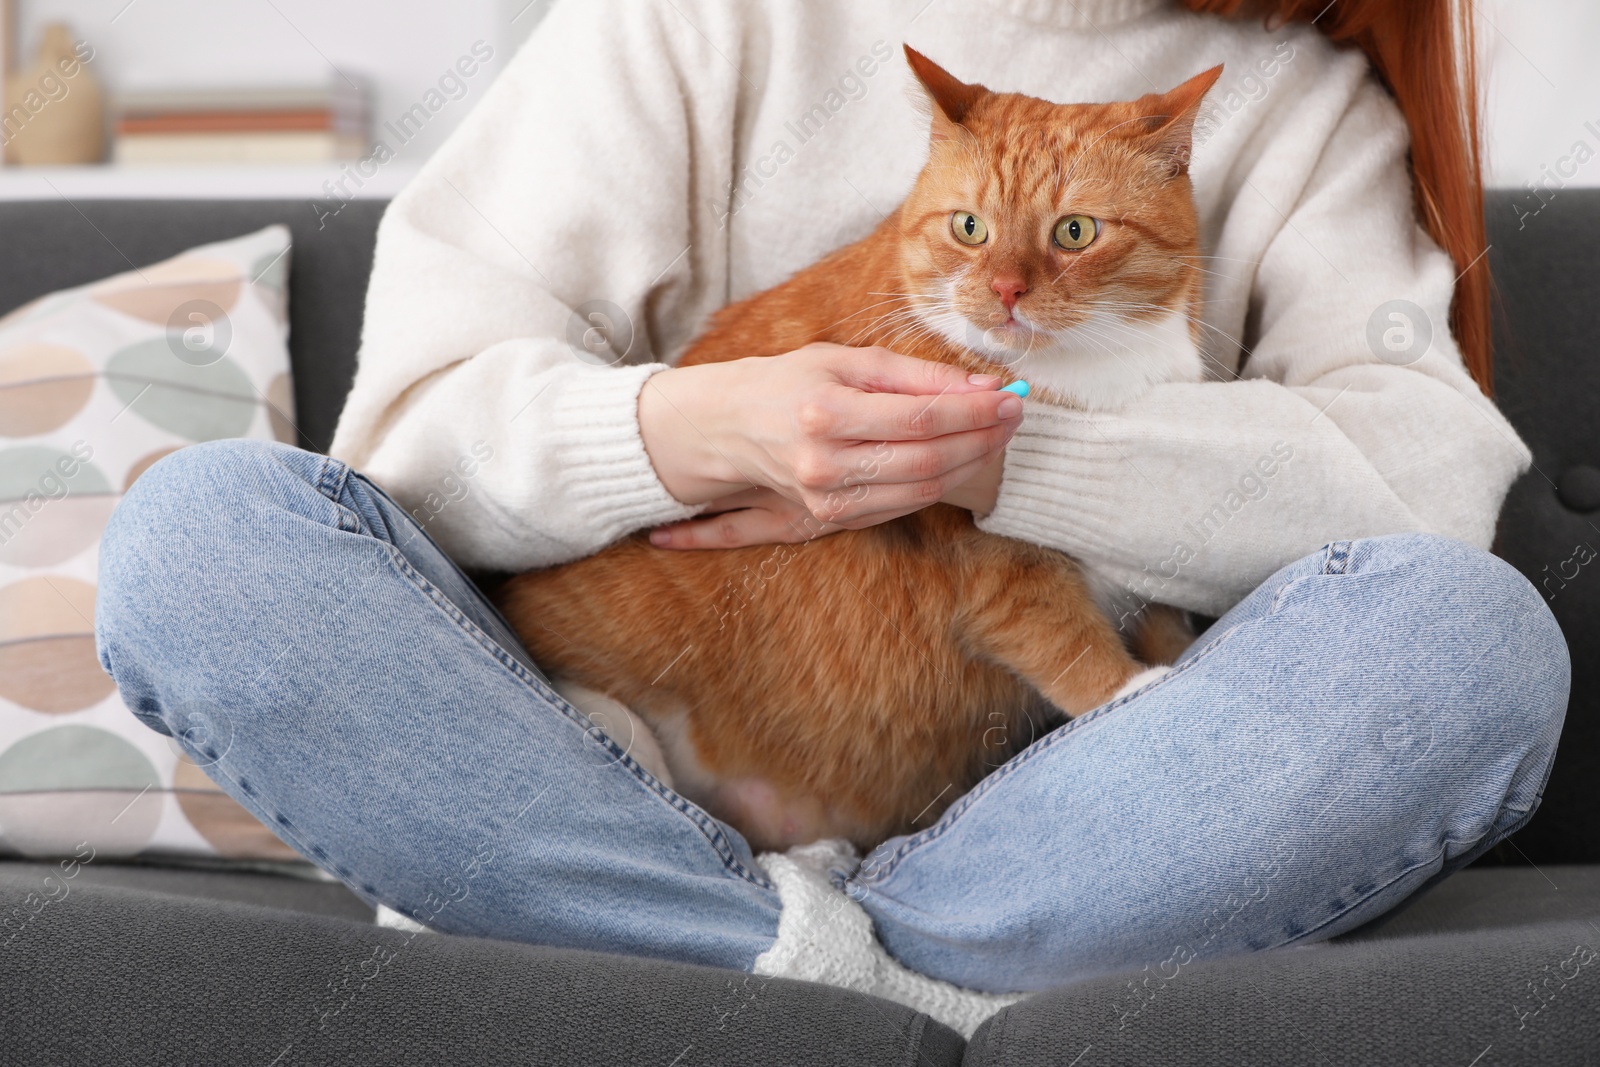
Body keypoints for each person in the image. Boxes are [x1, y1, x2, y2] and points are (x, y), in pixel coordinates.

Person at [96, 0, 1569, 1034]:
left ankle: (719, 967)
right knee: (202, 536)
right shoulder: (689, 18)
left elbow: (1426, 495)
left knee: (1471, 646)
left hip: (1064, 815)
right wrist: (677, 428)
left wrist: (1003, 461)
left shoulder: (1293, 102)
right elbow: (400, 449)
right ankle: (877, 984)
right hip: (607, 751)